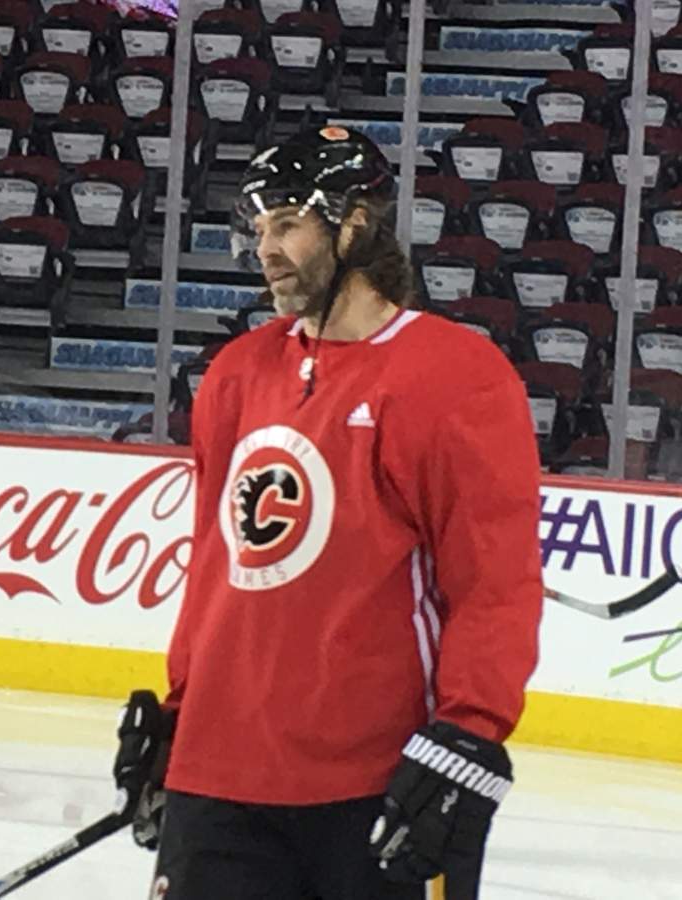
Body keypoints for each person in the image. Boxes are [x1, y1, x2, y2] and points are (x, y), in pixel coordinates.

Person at [113, 127, 544, 900]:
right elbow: (217, 566)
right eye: (259, 229)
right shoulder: (237, 371)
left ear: (352, 224)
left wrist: (469, 732)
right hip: (220, 776)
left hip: (378, 789)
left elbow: (494, 584)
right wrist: (183, 712)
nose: (265, 248)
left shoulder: (454, 377)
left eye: (286, 224)